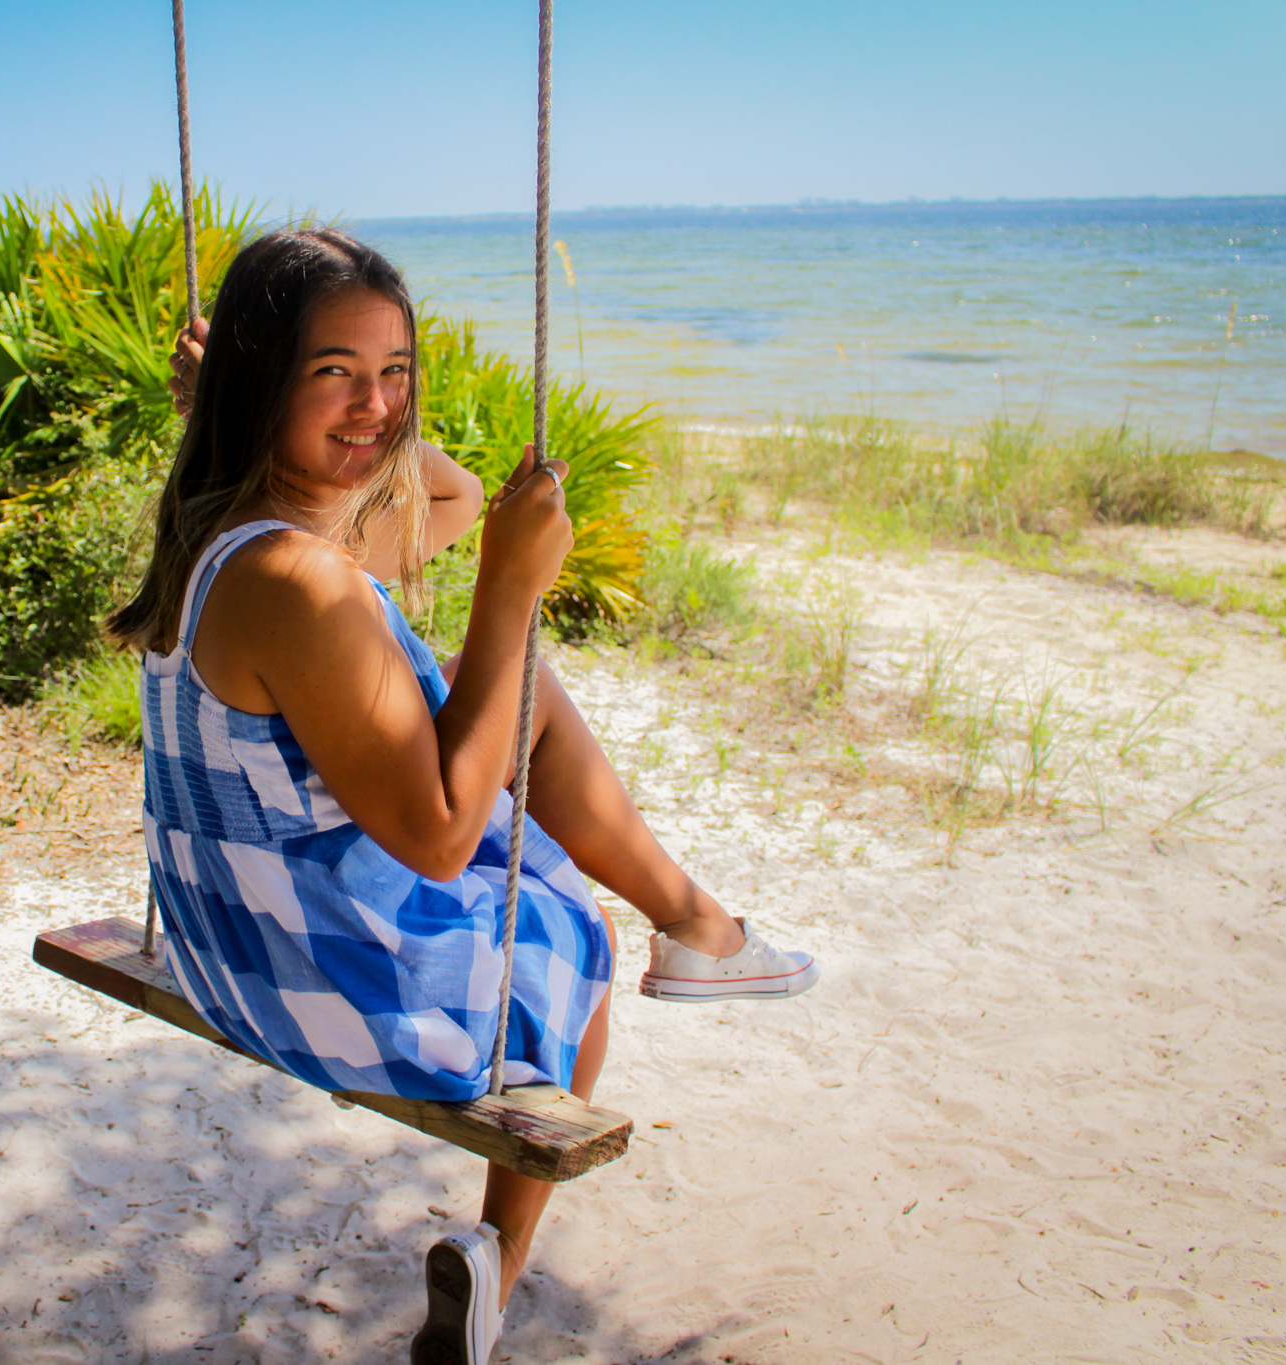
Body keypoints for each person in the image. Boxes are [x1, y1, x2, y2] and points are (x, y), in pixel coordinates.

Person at [106, 227, 817, 1365]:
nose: (374, 405)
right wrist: (508, 590)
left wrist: (350, 409)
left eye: (393, 373)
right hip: (314, 985)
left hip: (224, 953)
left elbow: (449, 491)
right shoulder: (296, 578)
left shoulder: (227, 535)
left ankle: (693, 927)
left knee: (516, 712)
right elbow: (438, 842)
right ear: (257, 381)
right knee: (563, 931)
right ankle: (511, 1245)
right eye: (329, 371)